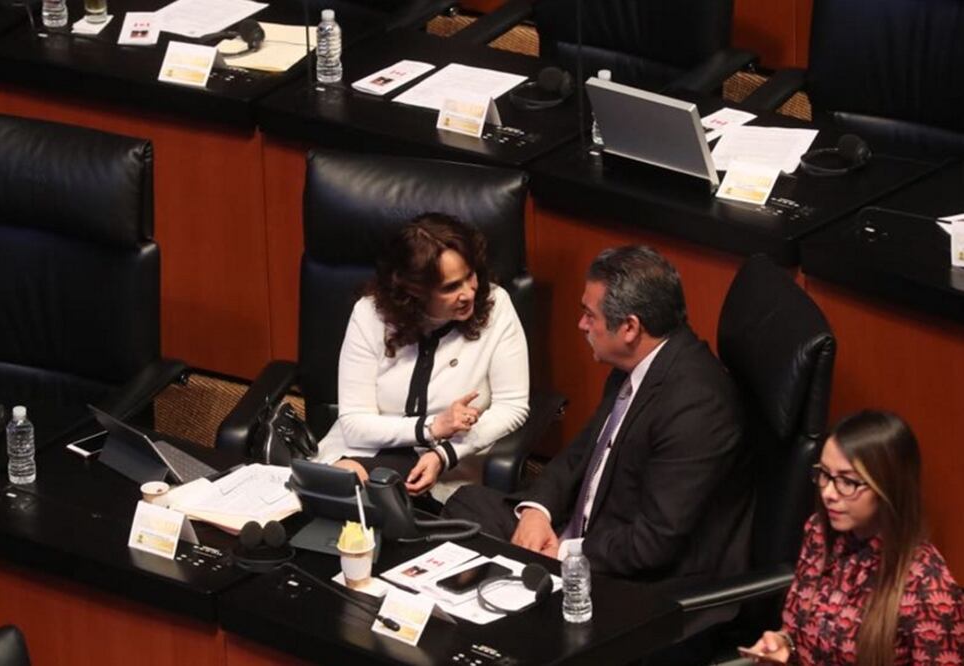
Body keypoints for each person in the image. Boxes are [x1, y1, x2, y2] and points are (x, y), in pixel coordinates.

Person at [444, 246, 752, 629]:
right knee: (467, 507)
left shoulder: (697, 408)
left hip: (631, 576)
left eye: (590, 315)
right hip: (580, 531)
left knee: (500, 609)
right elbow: (581, 453)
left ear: (630, 328)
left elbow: (653, 543)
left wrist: (566, 552)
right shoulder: (634, 362)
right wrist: (537, 513)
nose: (581, 325)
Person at [311, 213, 530, 503]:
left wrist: (445, 451)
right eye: (451, 287)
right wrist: (431, 427)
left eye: (471, 275)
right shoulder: (370, 314)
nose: (469, 293)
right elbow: (354, 424)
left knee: (362, 498)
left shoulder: (496, 305)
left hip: (451, 461)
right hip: (362, 452)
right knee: (340, 491)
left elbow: (512, 406)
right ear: (414, 292)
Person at [744, 410, 964, 665]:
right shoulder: (819, 532)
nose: (828, 493)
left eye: (847, 482)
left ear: (888, 488)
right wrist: (785, 644)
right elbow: (798, 632)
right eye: (825, 474)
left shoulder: (929, 589)